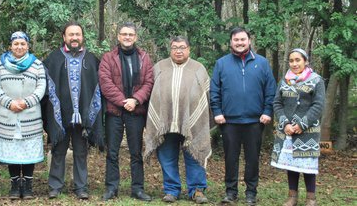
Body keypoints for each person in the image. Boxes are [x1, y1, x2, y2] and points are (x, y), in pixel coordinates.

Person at [210, 27, 276, 206]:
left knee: (252, 159)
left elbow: (270, 89)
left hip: (255, 121)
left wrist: (267, 111)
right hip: (229, 121)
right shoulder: (222, 63)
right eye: (236, 39)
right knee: (231, 159)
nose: (239, 42)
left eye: (242, 39)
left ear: (249, 41)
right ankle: (230, 193)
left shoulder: (262, 63)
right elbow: (215, 90)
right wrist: (217, 112)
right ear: (231, 42)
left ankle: (251, 193)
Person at [144, 36, 212, 204]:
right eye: (175, 47)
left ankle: (197, 190)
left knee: (194, 153)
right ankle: (171, 190)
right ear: (170, 49)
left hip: (191, 122)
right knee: (166, 156)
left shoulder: (198, 68)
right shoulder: (159, 67)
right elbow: (151, 93)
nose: (178, 50)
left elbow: (206, 95)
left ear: (189, 49)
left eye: (182, 47)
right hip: (164, 122)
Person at [41, 21, 103, 200]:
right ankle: (55, 186)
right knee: (58, 151)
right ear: (64, 37)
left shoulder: (92, 59)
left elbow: (98, 87)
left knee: (81, 152)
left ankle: (81, 187)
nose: (74, 38)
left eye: (77, 34)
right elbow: (45, 86)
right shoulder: (53, 58)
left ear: (82, 37)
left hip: (83, 116)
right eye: (71, 34)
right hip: (60, 114)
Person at [99, 22, 154, 201]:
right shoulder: (108, 58)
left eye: (130, 34)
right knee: (112, 152)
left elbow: (149, 82)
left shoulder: (145, 57)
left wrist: (136, 100)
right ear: (118, 36)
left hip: (136, 111)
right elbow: (105, 83)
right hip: (115, 110)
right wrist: (124, 102)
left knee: (136, 152)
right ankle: (111, 188)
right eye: (124, 34)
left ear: (135, 37)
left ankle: (137, 189)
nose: (127, 37)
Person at [0, 31, 46, 200]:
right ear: (10, 46)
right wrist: (9, 103)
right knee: (13, 152)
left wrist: (26, 102)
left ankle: (28, 186)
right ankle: (15, 185)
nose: (19, 47)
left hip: (29, 115)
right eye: (16, 44)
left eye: (23, 44)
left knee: (28, 151)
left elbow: (41, 86)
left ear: (28, 46)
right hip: (9, 115)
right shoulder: (1, 65)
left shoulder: (36, 64)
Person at [270, 49, 325, 206]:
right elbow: (277, 103)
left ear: (305, 61)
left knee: (307, 166)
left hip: (307, 131)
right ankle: (292, 197)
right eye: (291, 61)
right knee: (291, 165)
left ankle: (311, 199)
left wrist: (302, 124)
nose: (294, 64)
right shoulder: (284, 81)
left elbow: (318, 105)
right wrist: (285, 123)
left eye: (297, 60)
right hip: (287, 130)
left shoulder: (316, 80)